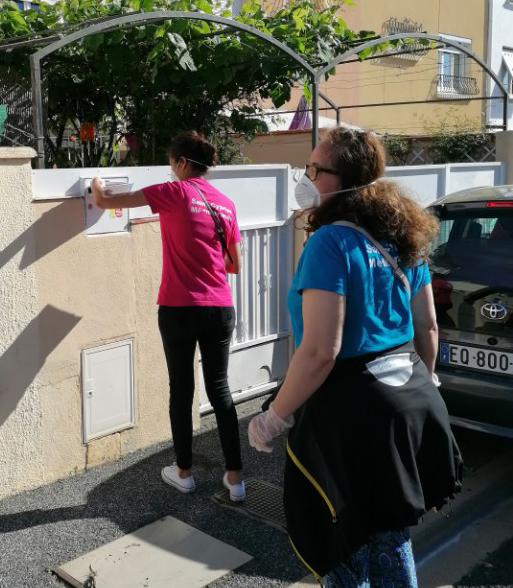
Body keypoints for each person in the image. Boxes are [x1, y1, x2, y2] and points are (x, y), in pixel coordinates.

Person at [248, 127, 463, 586]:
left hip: (350, 417)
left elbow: (322, 351)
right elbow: (427, 326)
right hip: (404, 404)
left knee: (340, 540)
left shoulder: (330, 243)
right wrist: (425, 382)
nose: (306, 177)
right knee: (389, 536)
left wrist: (274, 416)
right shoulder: (402, 234)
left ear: (339, 180)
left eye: (314, 169)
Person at [90, 131, 246, 501]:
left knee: (182, 389)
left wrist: (96, 181)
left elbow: (106, 199)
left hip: (179, 307)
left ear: (181, 163)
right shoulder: (225, 203)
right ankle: (236, 480)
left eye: (171, 163)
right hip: (220, 307)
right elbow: (234, 264)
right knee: (220, 390)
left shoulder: (174, 192)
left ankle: (184, 472)